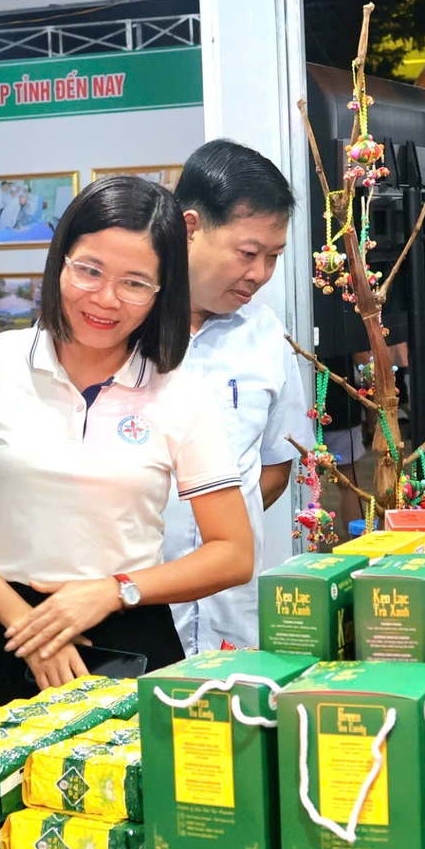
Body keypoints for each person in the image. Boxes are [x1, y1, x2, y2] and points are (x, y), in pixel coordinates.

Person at [0, 176, 253, 704]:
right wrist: (30, 626)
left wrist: (115, 590)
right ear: (60, 260)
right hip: (2, 631)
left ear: (162, 293)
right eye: (89, 270)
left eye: (135, 283)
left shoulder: (178, 391)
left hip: (129, 634)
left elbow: (233, 553)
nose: (105, 299)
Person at [158, 139, 312, 653]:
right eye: (248, 254)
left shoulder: (267, 337)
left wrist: (219, 531)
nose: (260, 275)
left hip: (235, 614)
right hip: (142, 611)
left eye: (274, 257)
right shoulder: (122, 330)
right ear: (190, 227)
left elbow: (274, 468)